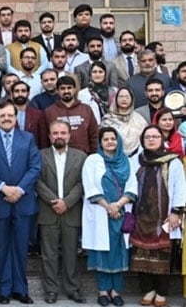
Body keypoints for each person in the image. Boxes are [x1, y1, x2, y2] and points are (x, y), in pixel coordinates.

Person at [0, 101, 41, 304]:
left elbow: (35, 167)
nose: (6, 119)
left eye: (10, 115)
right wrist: (3, 187)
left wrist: (20, 190)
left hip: (23, 202)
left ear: (16, 118)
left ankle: (20, 289)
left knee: (20, 247)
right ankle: (3, 289)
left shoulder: (28, 138)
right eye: (2, 116)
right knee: (1, 247)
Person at [130, 126, 186, 307]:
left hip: (164, 218)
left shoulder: (173, 162)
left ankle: (161, 293)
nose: (151, 140)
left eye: (155, 136)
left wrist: (176, 212)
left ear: (162, 140)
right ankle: (148, 290)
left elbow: (180, 187)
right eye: (148, 137)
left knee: (162, 254)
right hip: (141, 217)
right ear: (142, 140)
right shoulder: (136, 161)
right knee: (141, 255)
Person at [81, 127, 137, 306]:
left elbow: (132, 185)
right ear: (100, 142)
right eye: (106, 139)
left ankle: (116, 290)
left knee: (120, 252)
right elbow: (90, 186)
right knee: (102, 251)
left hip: (121, 212)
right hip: (100, 212)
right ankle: (103, 290)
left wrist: (118, 205)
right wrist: (108, 207)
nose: (110, 142)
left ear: (118, 141)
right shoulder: (92, 160)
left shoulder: (127, 161)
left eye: (113, 138)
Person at [36, 120, 87, 304]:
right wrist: (55, 202)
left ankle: (73, 289)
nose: (59, 136)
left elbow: (82, 182)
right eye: (55, 133)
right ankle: (50, 290)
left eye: (63, 133)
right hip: (48, 211)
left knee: (71, 253)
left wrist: (66, 202)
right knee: (48, 254)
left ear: (69, 135)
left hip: (71, 210)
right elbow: (37, 181)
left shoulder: (80, 156)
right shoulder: (40, 155)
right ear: (49, 136)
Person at [100, 87, 148, 158]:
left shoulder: (139, 120)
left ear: (132, 99)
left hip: (137, 158)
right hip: (113, 158)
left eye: (127, 97)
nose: (124, 99)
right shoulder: (108, 120)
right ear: (116, 99)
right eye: (121, 97)